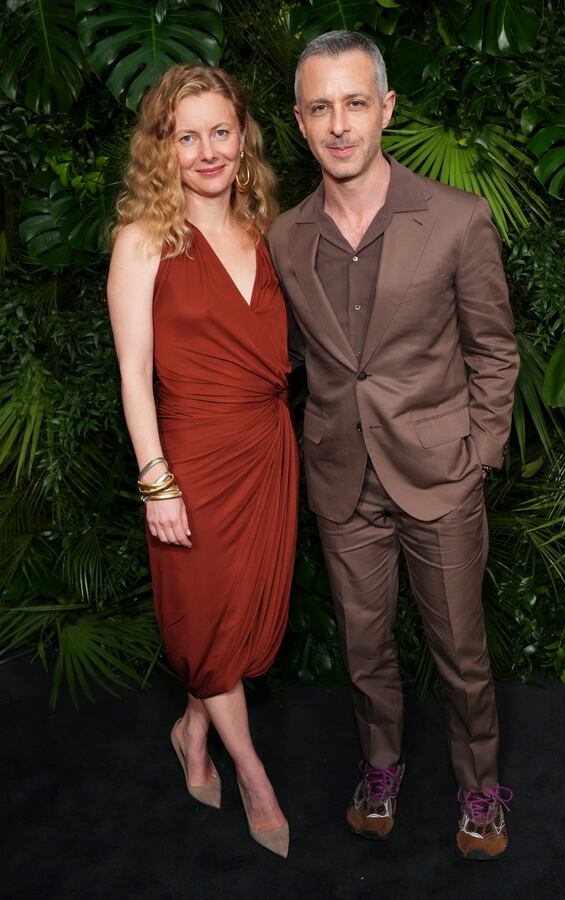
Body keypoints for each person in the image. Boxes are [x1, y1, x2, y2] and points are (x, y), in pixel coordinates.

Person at [269, 31, 519, 859]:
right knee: (364, 648)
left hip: (440, 477)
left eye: (353, 102)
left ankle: (480, 790)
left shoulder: (456, 218)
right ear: (301, 124)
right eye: (320, 107)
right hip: (344, 481)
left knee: (461, 653)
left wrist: (479, 452)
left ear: (386, 109)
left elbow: (493, 349)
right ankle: (382, 770)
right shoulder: (286, 238)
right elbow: (302, 359)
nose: (338, 124)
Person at [107, 64, 298, 859]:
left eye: (221, 131)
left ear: (243, 136)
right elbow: (132, 372)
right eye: (187, 136)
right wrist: (157, 482)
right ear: (164, 148)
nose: (208, 150)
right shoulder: (144, 238)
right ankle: (252, 774)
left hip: (266, 450)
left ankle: (192, 730)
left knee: (236, 620)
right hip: (190, 459)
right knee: (208, 618)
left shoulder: (267, 228)